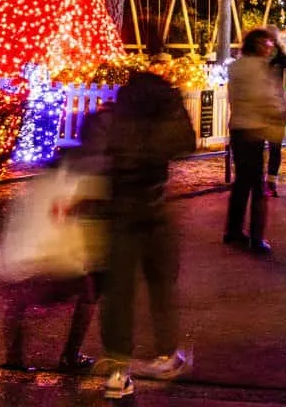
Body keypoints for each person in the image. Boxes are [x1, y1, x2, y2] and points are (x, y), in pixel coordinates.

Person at [101, 70, 197, 398]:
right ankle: (167, 353)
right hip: (154, 202)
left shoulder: (118, 109)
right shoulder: (167, 102)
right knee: (162, 282)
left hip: (119, 206)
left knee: (118, 291)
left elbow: (104, 152)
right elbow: (186, 142)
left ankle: (117, 372)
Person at [0, 108, 108, 374]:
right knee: (89, 291)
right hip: (49, 260)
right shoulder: (93, 169)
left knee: (18, 301)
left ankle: (14, 357)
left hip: (15, 260)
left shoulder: (58, 163)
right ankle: (69, 356)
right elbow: (75, 217)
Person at [225, 28, 286, 256]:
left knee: (242, 180)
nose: (269, 48)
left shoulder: (235, 68)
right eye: (267, 44)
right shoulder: (260, 69)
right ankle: (256, 237)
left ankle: (233, 229)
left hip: (238, 127)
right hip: (254, 129)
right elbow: (267, 97)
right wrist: (283, 112)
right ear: (258, 45)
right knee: (256, 183)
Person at [265, 32, 286, 197]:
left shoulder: (281, 60)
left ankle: (270, 181)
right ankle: (269, 182)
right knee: (273, 147)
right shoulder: (282, 60)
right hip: (272, 107)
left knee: (274, 147)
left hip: (275, 108)